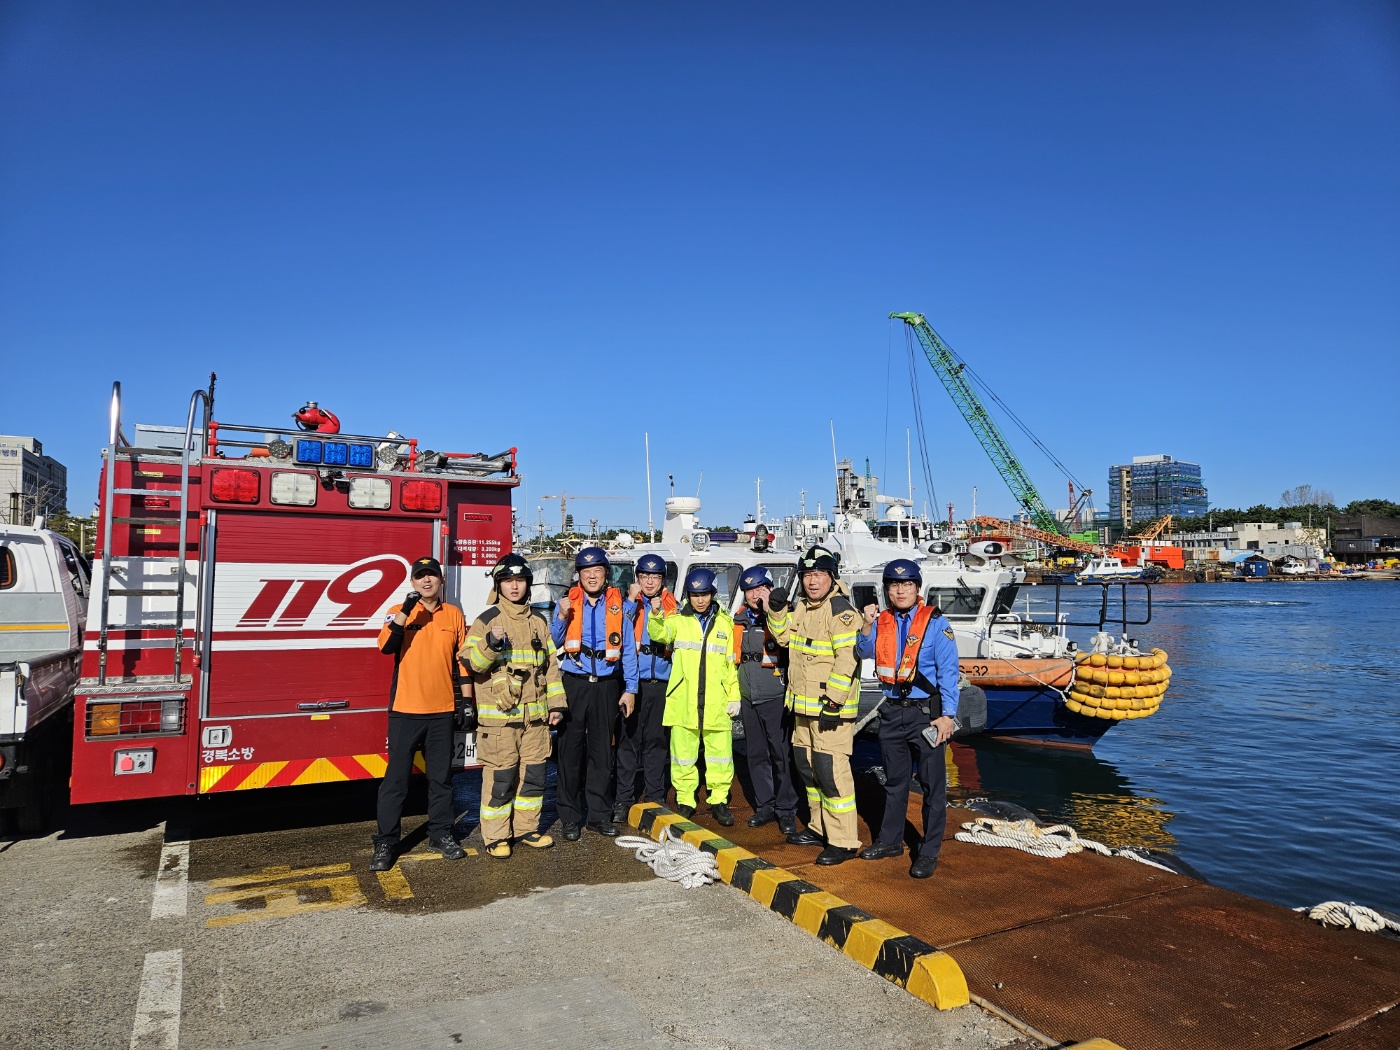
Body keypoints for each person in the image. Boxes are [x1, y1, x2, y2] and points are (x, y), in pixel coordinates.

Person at [854, 558, 961, 879]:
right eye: (894, 585)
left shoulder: (936, 623)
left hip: (926, 715)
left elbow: (949, 671)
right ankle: (890, 841)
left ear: (917, 588)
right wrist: (866, 624)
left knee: (932, 786)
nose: (900, 591)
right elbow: (864, 651)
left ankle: (928, 851)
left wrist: (947, 716)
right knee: (895, 781)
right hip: (891, 712)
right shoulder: (881, 620)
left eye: (907, 584)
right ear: (886, 590)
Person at [459, 553, 567, 858]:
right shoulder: (487, 620)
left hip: (536, 722)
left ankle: (526, 830)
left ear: (528, 584)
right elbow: (471, 663)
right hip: (500, 723)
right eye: (508, 581)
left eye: (520, 580)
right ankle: (496, 836)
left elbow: (550, 668)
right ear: (499, 586)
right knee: (501, 780)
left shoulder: (538, 622)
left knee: (533, 777)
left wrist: (557, 705)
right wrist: (491, 644)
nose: (515, 586)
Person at [371, 556, 469, 871]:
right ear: (412, 582)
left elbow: (462, 661)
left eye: (432, 575)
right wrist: (405, 609)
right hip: (405, 711)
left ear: (441, 580)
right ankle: (386, 842)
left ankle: (440, 834)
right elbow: (386, 647)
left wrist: (467, 702)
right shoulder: (397, 611)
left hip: (441, 712)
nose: (427, 581)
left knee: (441, 780)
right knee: (396, 782)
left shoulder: (453, 614)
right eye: (420, 576)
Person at [766, 545, 862, 865]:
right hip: (803, 708)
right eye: (807, 575)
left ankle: (843, 841)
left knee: (831, 774)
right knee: (808, 770)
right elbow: (783, 639)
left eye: (819, 574)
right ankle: (820, 828)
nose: (812, 581)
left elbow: (847, 660)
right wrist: (776, 612)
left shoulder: (840, 611)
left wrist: (833, 702)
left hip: (828, 710)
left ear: (831, 577)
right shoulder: (804, 608)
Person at [550, 546, 637, 839]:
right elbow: (553, 641)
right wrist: (562, 616)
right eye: (586, 571)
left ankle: (598, 815)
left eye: (597, 571)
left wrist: (630, 689)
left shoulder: (618, 606)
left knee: (602, 753)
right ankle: (569, 817)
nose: (591, 576)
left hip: (607, 685)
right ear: (579, 575)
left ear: (605, 574)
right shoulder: (567, 603)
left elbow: (629, 651)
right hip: (574, 683)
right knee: (569, 752)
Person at [648, 567, 739, 824]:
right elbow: (658, 633)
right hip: (684, 701)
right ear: (688, 595)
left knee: (720, 755)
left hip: (716, 701)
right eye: (695, 595)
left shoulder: (725, 624)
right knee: (683, 755)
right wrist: (655, 614)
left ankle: (719, 800)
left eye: (704, 594)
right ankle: (686, 800)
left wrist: (733, 696)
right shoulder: (677, 620)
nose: (700, 600)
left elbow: (730, 664)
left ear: (712, 594)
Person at [732, 566, 797, 834]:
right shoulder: (738, 619)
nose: (754, 595)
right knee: (756, 754)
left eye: (759, 589)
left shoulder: (785, 617)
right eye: (749, 590)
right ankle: (765, 806)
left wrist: (773, 611)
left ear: (770, 589)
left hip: (775, 696)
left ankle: (786, 809)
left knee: (781, 755)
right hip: (749, 697)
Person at [615, 552, 676, 823]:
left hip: (661, 683)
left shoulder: (673, 605)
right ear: (637, 578)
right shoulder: (627, 604)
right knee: (628, 743)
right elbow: (617, 630)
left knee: (657, 743)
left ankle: (655, 796)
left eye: (655, 577)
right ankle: (623, 799)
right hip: (633, 683)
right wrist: (630, 601)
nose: (649, 582)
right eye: (644, 576)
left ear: (663, 580)